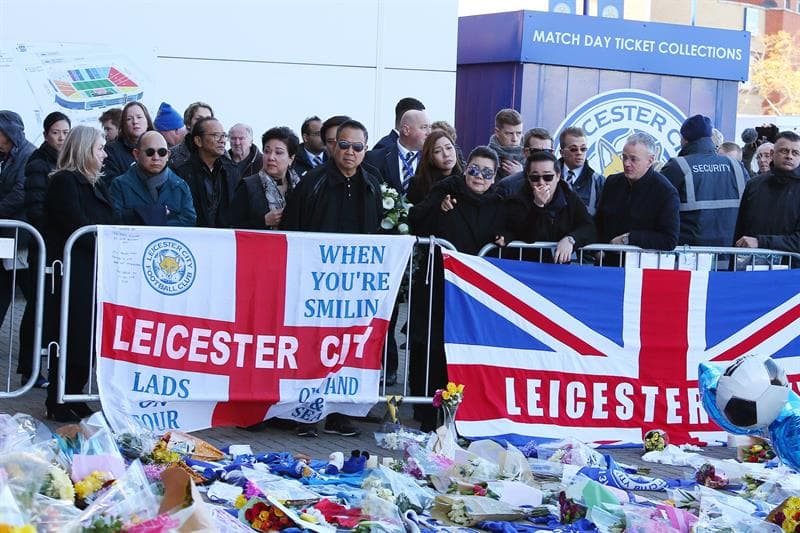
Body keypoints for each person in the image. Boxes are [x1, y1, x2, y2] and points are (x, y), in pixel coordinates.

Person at [281, 119, 381, 438]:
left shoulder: (372, 183)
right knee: (313, 347)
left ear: (365, 150)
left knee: (349, 347)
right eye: (344, 145)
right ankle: (306, 414)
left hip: (355, 286)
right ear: (333, 146)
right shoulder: (313, 182)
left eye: (357, 147)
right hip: (317, 284)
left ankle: (339, 412)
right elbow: (292, 230)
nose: (350, 152)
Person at [407, 146, 506, 431]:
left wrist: (506, 236)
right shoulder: (445, 190)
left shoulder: (499, 201)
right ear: (466, 169)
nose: (479, 177)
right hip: (439, 282)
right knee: (431, 343)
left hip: (477, 290)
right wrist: (439, 208)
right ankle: (427, 408)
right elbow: (416, 219)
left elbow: (517, 226)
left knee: (468, 346)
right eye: (474, 169)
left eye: (487, 173)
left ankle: (465, 408)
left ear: (494, 176)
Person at [43, 125, 114, 422]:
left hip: (93, 268)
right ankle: (58, 396)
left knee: (87, 334)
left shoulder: (96, 183)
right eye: (100, 148)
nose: (105, 154)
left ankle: (76, 390)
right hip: (72, 269)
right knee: (69, 332)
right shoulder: (65, 182)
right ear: (85, 150)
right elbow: (75, 222)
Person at [20, 111, 71, 387]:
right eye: (56, 132)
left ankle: (52, 365)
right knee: (37, 306)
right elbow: (36, 206)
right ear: (46, 134)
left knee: (56, 308)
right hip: (44, 245)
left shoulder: (68, 162)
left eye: (65, 132)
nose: (61, 138)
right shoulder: (38, 163)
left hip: (62, 247)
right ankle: (29, 367)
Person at [660, 115, 747, 247]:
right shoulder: (736, 166)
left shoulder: (677, 166)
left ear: (684, 138)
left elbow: (656, 206)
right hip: (730, 256)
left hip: (689, 256)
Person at [505, 150, 596, 263]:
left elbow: (588, 227)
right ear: (528, 178)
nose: (541, 182)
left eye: (548, 177)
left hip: (560, 268)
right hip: (527, 267)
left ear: (558, 176)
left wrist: (571, 239)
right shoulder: (517, 199)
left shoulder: (569, 197)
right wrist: (538, 205)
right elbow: (526, 236)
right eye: (535, 178)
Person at [0, 111, 37, 387]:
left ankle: (30, 366)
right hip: (5, 237)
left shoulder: (28, 155)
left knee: (32, 297)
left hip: (22, 238)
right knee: (2, 291)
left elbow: (21, 193)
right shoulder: (4, 156)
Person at [595, 133, 679, 252]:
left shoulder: (665, 192)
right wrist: (597, 250)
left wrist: (629, 238)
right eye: (624, 157)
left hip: (641, 266)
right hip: (608, 263)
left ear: (650, 161)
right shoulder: (612, 182)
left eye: (633, 159)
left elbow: (669, 239)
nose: (626, 163)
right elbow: (599, 222)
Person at [109, 131, 196, 226]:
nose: (156, 157)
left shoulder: (180, 187)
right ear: (136, 154)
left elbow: (189, 221)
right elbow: (113, 219)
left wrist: (152, 220)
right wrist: (151, 214)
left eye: (162, 152)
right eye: (150, 152)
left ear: (168, 155)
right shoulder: (120, 185)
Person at [734, 131, 800, 253]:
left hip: (791, 269)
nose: (789, 156)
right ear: (772, 153)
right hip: (752, 266)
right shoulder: (753, 184)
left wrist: (760, 242)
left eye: (795, 153)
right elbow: (740, 230)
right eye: (784, 151)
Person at [174, 117, 239, 228]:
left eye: (223, 135)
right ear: (198, 141)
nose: (222, 140)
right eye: (216, 135)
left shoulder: (231, 170)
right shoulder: (182, 173)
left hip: (225, 239)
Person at [231, 127, 300, 229]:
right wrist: (263, 221)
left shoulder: (300, 186)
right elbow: (231, 227)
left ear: (291, 158)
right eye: (267, 151)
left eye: (278, 152)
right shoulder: (248, 186)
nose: (271, 157)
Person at [365, 109, 430, 193]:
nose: (429, 133)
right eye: (424, 127)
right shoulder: (375, 158)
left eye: (430, 127)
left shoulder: (432, 159)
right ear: (406, 130)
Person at [557, 126, 605, 215]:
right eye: (573, 149)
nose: (579, 153)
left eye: (583, 149)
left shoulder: (598, 181)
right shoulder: (548, 178)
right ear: (562, 152)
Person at [102, 101, 154, 184]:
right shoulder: (111, 151)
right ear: (123, 125)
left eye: (139, 117)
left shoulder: (160, 145)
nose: (135, 122)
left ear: (147, 121)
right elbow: (111, 185)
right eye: (129, 119)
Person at [407, 129, 463, 204]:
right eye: (437, 151)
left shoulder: (466, 179)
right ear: (430, 157)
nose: (446, 154)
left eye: (449, 148)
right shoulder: (417, 184)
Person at [495, 128, 554, 198]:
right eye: (536, 151)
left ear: (552, 153)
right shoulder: (507, 186)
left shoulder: (562, 185)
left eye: (546, 151)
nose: (542, 156)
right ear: (525, 152)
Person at [169, 101, 214, 170]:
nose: (204, 123)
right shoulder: (172, 155)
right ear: (188, 123)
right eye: (199, 119)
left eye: (208, 119)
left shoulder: (221, 153)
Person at [488, 108, 524, 180]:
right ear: (497, 132)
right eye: (509, 133)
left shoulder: (530, 155)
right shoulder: (487, 157)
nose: (515, 139)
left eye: (519, 133)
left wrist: (521, 175)